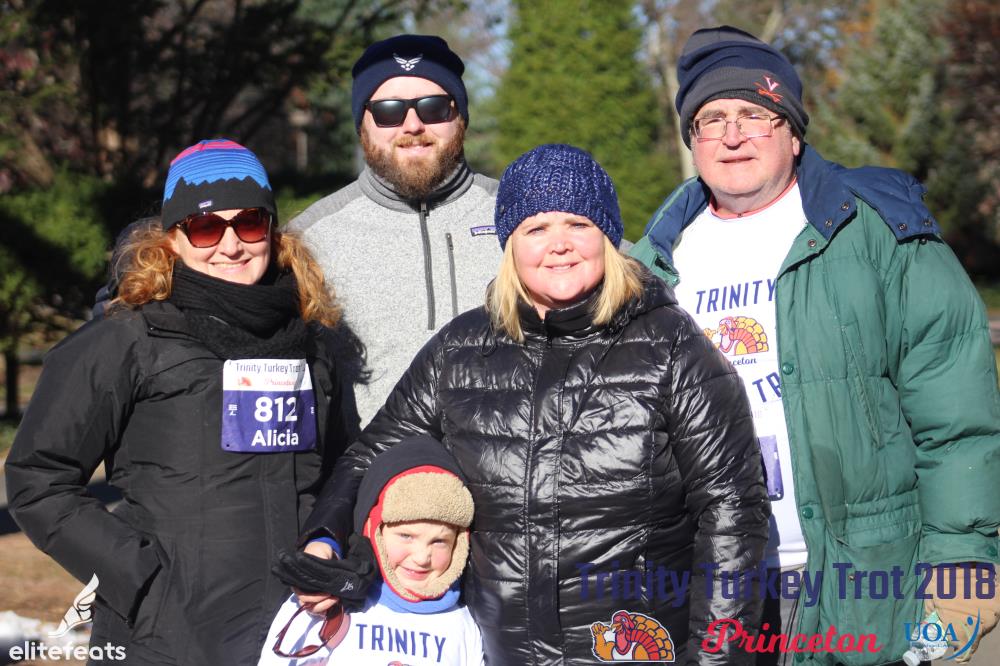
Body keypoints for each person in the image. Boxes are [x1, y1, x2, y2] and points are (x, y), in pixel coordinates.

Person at [291, 144, 771, 664]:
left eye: (578, 224)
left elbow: (732, 513)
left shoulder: (671, 345)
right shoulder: (460, 350)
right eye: (536, 228)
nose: (559, 245)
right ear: (510, 245)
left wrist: (716, 657)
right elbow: (369, 456)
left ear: (608, 236)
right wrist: (325, 537)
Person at [629, 25, 1000, 664]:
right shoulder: (651, 265)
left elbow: (956, 418)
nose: (733, 135)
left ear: (794, 132)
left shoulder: (881, 232)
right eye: (711, 119)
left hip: (867, 582)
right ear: (693, 140)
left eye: (755, 114)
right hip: (715, 591)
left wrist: (964, 570)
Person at [5, 139, 351, 665]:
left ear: (271, 231)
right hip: (165, 639)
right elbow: (38, 479)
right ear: (172, 239)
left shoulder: (312, 342)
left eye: (249, 223)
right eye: (206, 227)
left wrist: (330, 544)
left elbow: (342, 467)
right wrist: (141, 580)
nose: (231, 246)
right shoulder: (126, 339)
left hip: (293, 633)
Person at [288, 34, 502, 428]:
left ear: (460, 117)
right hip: (370, 464)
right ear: (362, 125)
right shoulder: (308, 240)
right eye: (388, 111)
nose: (413, 125)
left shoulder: (521, 215)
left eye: (434, 107)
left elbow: (618, 268)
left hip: (505, 463)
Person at [259, 435, 484, 665]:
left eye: (439, 542)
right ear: (374, 531)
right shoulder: (320, 605)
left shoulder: (464, 627)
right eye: (406, 536)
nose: (421, 558)